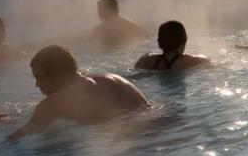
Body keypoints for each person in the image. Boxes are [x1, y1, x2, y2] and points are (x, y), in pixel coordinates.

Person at [8, 46, 149, 141]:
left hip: (121, 143)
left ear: (56, 75)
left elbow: (16, 138)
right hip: (153, 127)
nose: (37, 84)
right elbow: (146, 109)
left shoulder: (54, 103)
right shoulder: (115, 79)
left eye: (39, 77)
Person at [135, 21, 210, 71]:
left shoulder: (146, 60)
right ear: (183, 42)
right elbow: (208, 63)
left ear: (159, 42)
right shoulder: (195, 61)